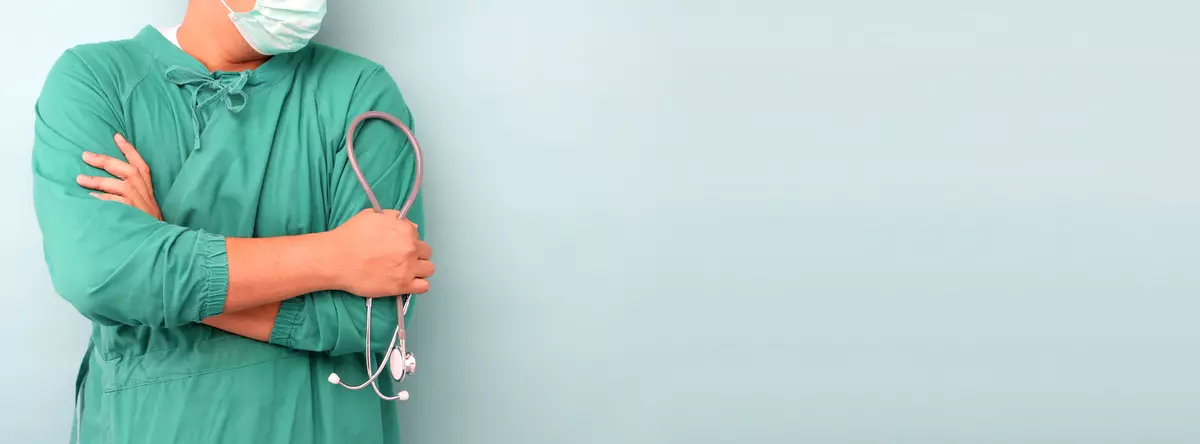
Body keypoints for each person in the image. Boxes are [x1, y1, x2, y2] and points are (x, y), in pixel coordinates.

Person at [31, 1, 435, 442]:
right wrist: (337, 258)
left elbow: (374, 319)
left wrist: (159, 263)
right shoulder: (95, 81)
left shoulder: (358, 92)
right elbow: (101, 275)